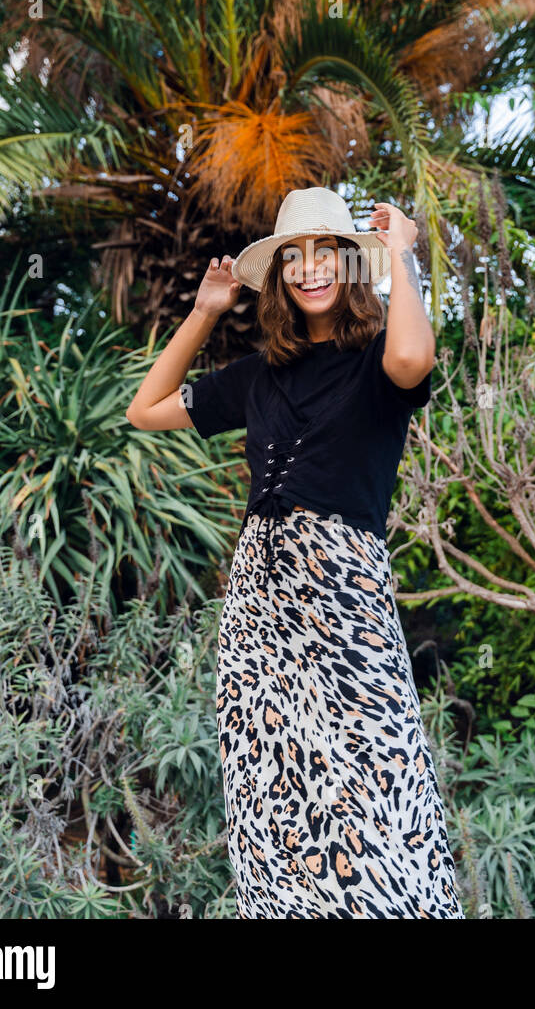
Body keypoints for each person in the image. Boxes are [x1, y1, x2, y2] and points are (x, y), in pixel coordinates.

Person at [126, 187, 464, 919]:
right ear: (279, 275)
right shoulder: (256, 377)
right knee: (270, 778)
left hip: (344, 593)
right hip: (259, 602)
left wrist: (401, 256)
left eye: (325, 254)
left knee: (373, 766)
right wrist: (205, 312)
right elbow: (146, 409)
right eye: (294, 258)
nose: (309, 269)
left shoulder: (377, 363)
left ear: (349, 266)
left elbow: (413, 355)